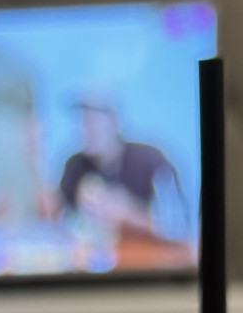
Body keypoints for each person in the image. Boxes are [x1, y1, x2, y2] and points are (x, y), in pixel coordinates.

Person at [58, 93, 188, 241]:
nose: (85, 128)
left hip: (148, 253)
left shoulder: (150, 160)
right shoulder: (75, 165)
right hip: (95, 254)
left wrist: (128, 215)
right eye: (82, 120)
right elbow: (59, 220)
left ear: (116, 122)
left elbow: (180, 226)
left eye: (94, 120)